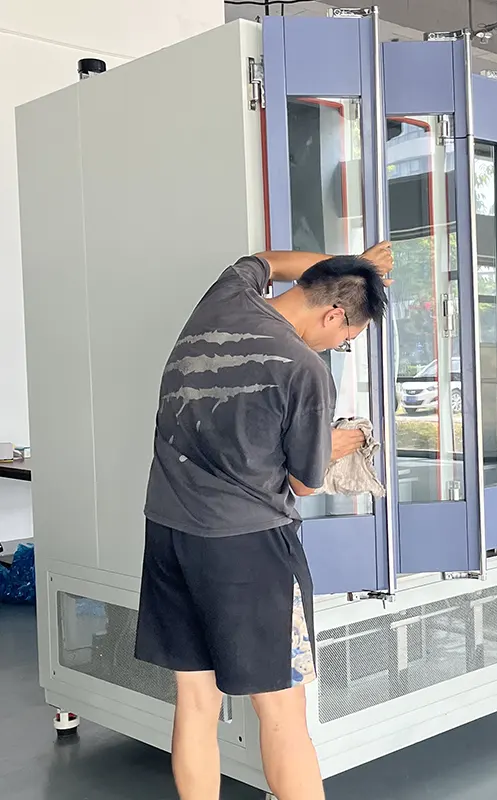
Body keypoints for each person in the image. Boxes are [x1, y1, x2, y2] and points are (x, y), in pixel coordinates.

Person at [134, 243, 392, 800]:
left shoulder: (224, 298)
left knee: (196, 702)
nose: (340, 347)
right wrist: (338, 442)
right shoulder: (305, 370)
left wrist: (353, 265)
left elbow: (267, 260)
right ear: (334, 315)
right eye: (347, 338)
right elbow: (303, 483)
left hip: (169, 532)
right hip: (248, 549)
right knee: (282, 713)